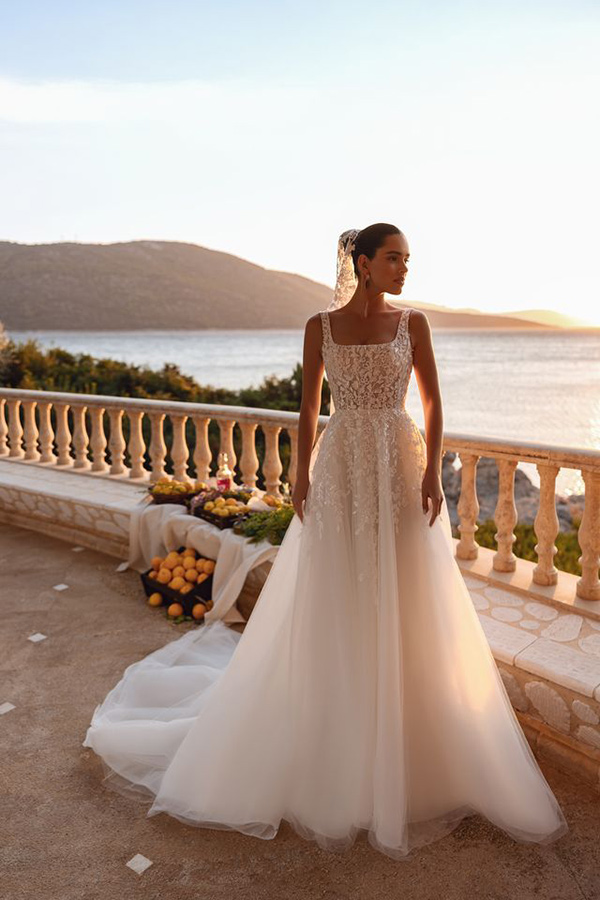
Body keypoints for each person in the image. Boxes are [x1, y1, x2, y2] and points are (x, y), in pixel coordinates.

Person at [83, 223, 568, 861]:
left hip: (397, 462)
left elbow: (434, 404)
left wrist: (431, 472)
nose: (404, 269)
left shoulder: (413, 323)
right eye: (393, 259)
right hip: (341, 468)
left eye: (407, 259)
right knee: (340, 586)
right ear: (362, 263)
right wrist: (302, 473)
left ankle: (408, 725)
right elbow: (308, 408)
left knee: (406, 588)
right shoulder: (319, 326)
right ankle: (337, 725)